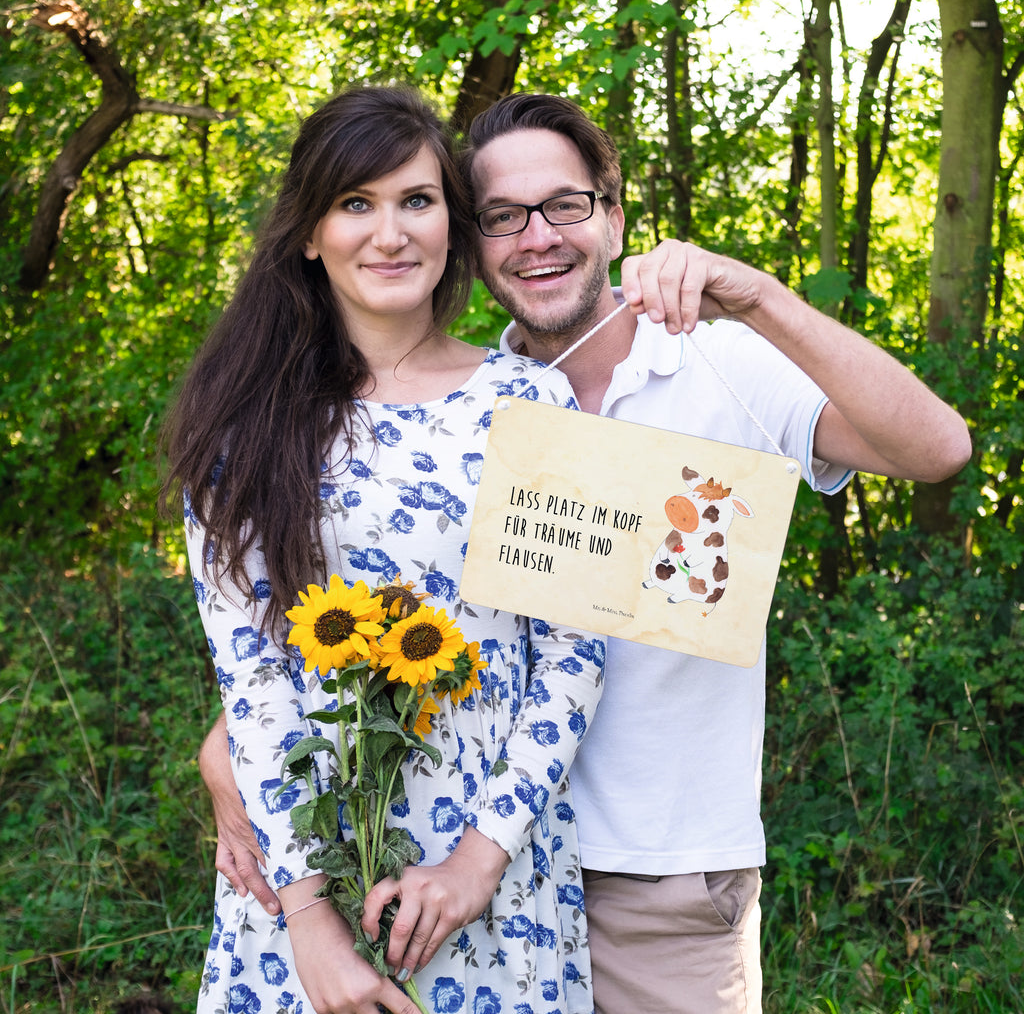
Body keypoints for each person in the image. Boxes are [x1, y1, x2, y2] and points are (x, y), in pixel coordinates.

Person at [202, 92, 972, 1014]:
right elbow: (323, 627)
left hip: (650, 877)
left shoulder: (710, 363)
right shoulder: (456, 405)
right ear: (474, 240)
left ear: (612, 215)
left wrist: (760, 296)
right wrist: (235, 762)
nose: (537, 237)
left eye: (565, 205)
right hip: (419, 865)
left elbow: (937, 451)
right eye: (502, 216)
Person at [163, 86, 608, 1014]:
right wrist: (311, 927)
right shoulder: (244, 428)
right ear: (309, 233)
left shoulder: (533, 405)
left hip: (492, 877)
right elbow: (253, 681)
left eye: (417, 200)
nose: (391, 233)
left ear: (452, 220)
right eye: (355, 204)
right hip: (302, 875)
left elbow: (573, 653)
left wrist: (478, 864)